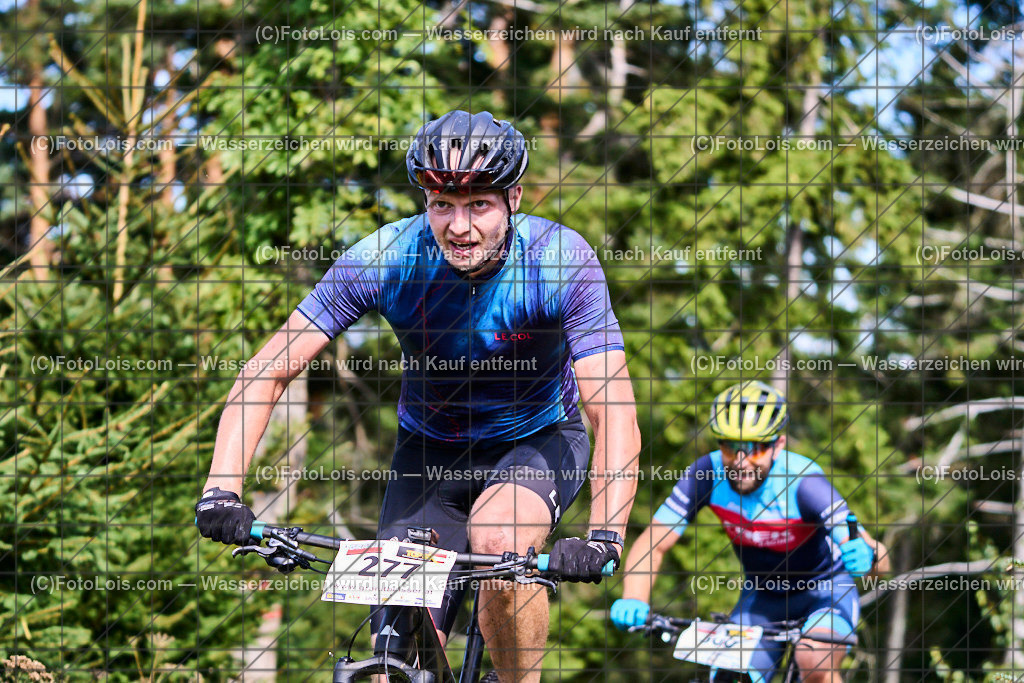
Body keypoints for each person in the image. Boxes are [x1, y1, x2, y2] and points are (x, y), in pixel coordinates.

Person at [195, 110, 641, 682]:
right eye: (441, 205)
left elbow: (614, 409)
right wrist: (222, 490)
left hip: (537, 439)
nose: (459, 226)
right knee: (389, 660)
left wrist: (604, 534)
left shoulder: (561, 261)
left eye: (478, 203)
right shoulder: (387, 257)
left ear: (514, 198)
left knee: (501, 541)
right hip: (428, 453)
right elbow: (266, 371)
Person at [611, 381, 888, 683]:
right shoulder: (705, 475)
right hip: (762, 598)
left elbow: (879, 558)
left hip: (824, 591)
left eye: (754, 449)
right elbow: (654, 542)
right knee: (728, 676)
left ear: (778, 444)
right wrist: (635, 597)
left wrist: (870, 556)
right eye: (731, 446)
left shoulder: (805, 484)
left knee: (815, 659)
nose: (741, 462)